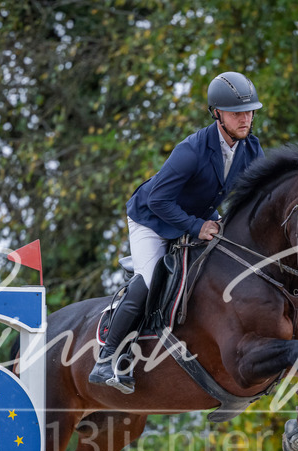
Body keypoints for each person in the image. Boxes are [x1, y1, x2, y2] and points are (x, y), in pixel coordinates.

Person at [89, 71, 265, 392]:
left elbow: (256, 199)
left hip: (199, 219)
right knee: (150, 277)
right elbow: (158, 200)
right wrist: (198, 226)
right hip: (152, 220)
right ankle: (108, 356)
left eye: (250, 111)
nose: (246, 118)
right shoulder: (192, 150)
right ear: (217, 114)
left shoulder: (251, 150)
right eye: (237, 112)